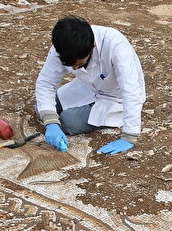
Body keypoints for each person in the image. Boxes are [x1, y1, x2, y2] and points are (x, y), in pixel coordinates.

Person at [35, 15, 145, 155]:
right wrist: (51, 124)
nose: (74, 69)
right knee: (43, 111)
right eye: (70, 65)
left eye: (79, 64)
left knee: (68, 121)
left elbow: (131, 90)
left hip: (116, 96)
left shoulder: (115, 45)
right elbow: (46, 82)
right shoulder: (63, 45)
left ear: (92, 46)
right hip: (87, 87)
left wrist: (129, 136)